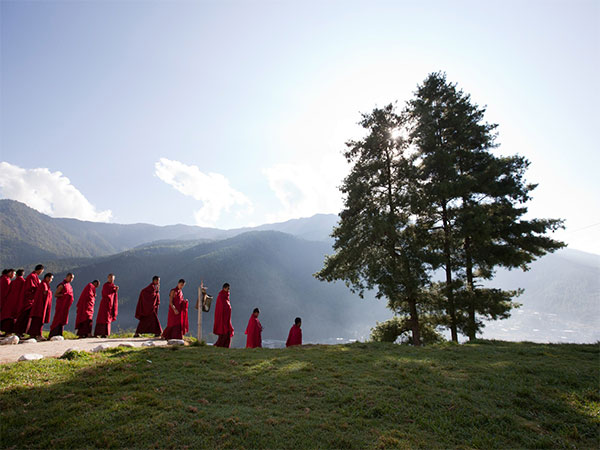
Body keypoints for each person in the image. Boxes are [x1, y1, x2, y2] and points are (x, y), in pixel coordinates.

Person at [14, 264, 44, 336]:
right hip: (28, 300)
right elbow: (30, 288)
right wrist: (38, 288)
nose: (41, 272)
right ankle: (18, 331)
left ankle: (22, 332)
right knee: (23, 316)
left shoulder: (34, 276)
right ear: (40, 270)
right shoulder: (32, 276)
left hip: (32, 300)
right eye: (42, 271)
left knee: (27, 317)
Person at [26, 273, 54, 340]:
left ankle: (34, 334)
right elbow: (44, 295)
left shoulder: (45, 284)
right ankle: (37, 334)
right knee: (38, 320)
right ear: (47, 278)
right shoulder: (43, 285)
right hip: (40, 305)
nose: (51, 280)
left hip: (41, 305)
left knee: (38, 320)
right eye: (51, 278)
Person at [49, 273, 75, 338]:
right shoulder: (62, 285)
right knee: (58, 318)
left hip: (65, 306)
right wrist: (64, 295)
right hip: (60, 305)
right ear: (67, 277)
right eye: (70, 277)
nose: (71, 279)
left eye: (72, 278)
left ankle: (60, 333)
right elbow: (56, 294)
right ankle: (53, 334)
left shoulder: (69, 286)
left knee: (62, 319)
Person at [1, 269, 25, 334]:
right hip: (16, 302)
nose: (14, 276)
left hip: (9, 301)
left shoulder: (12, 282)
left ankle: (7, 331)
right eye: (13, 274)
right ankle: (11, 332)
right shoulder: (7, 280)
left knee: (7, 316)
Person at [213, 283, 234, 348]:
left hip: (227, 319)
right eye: (227, 289)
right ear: (224, 288)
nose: (228, 290)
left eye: (229, 289)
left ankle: (226, 346)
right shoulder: (221, 296)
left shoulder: (226, 296)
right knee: (223, 334)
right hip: (222, 319)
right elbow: (220, 308)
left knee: (227, 334)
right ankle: (219, 346)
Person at [0, 269, 15, 335]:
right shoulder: (6, 280)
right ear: (9, 273)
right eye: (13, 274)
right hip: (3, 300)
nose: (13, 275)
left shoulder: (2, 278)